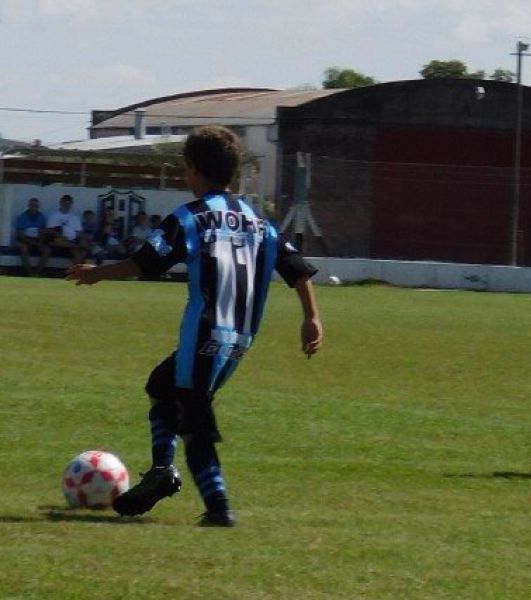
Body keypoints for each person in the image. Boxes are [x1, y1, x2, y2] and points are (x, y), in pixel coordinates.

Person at [66, 125, 324, 526]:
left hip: (204, 333)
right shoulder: (260, 223)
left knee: (193, 419)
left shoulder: (191, 217)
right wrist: (312, 318)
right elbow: (298, 271)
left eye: (185, 170)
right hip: (239, 341)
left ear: (193, 170)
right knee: (163, 387)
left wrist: (98, 273)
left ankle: (217, 507)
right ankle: (161, 471)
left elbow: (147, 261)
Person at [13, 197, 50, 276]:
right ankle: (29, 272)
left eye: (36, 206)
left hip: (38, 240)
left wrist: (40, 242)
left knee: (47, 250)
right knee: (24, 248)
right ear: (28, 206)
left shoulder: (42, 217)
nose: (34, 207)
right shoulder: (22, 217)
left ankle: (37, 272)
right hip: (24, 239)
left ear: (38, 207)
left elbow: (44, 232)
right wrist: (29, 241)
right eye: (32, 205)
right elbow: (18, 233)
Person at [44, 194, 85, 265]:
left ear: (71, 204)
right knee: (58, 241)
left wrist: (76, 238)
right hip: (58, 242)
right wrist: (60, 236)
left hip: (71, 242)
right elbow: (50, 230)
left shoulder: (74, 217)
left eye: (69, 203)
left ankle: (74, 274)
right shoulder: (54, 215)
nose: (67, 205)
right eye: (65, 202)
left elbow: (79, 232)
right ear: (61, 203)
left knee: (78, 254)